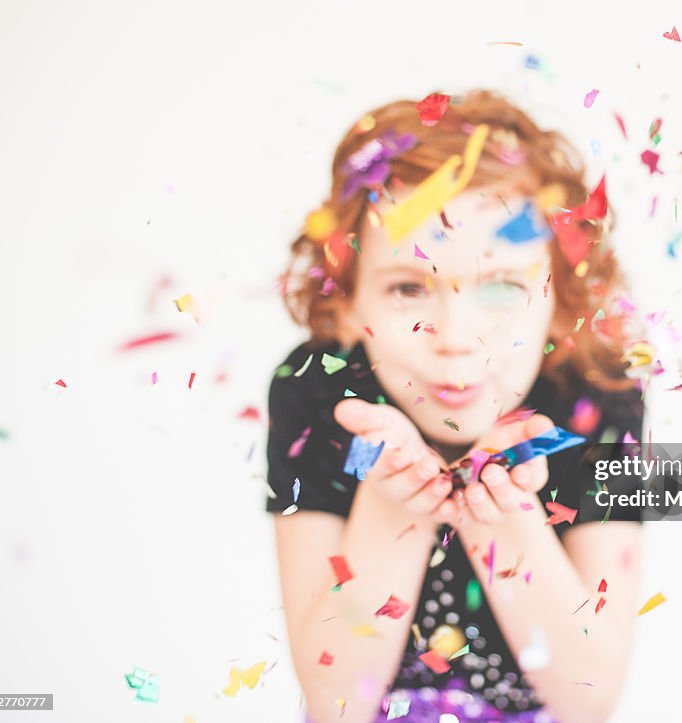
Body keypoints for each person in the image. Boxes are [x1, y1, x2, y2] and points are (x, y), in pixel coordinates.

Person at [267, 89, 649, 723]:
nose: (454, 337)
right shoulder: (317, 391)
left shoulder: (598, 396)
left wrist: (500, 514)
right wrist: (394, 501)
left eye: (501, 286)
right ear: (347, 302)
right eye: (409, 287)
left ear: (560, 299)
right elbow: (336, 704)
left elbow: (591, 700)